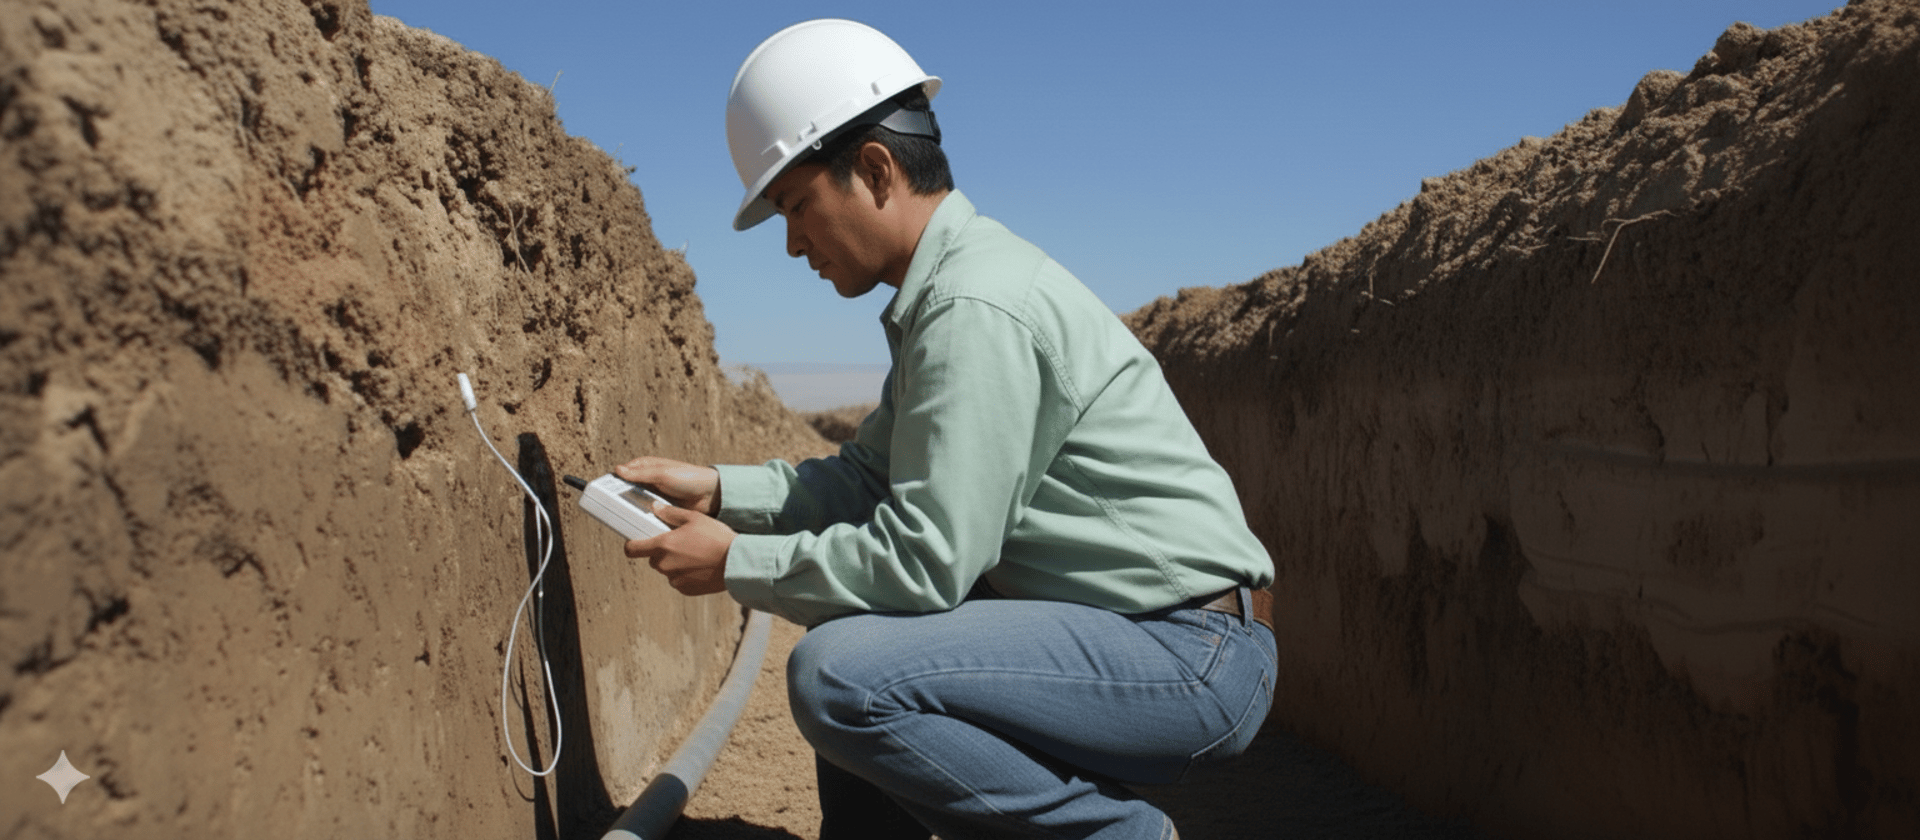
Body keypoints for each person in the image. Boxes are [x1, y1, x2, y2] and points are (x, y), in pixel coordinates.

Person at [618, 19, 1276, 840]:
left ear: (874, 169)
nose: (793, 244)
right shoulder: (947, 295)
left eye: (796, 207)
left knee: (841, 674)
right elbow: (865, 481)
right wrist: (720, 488)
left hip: (1187, 657)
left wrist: (737, 562)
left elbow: (926, 560)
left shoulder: (975, 307)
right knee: (856, 631)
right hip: (1146, 636)